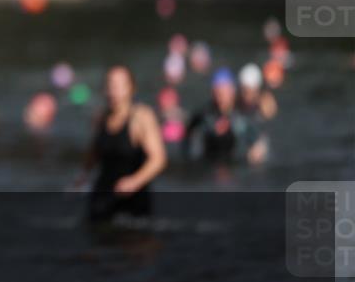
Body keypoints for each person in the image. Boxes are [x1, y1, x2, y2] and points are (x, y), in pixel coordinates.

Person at [75, 65, 166, 224]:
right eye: (110, 85)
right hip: (103, 195)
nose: (114, 90)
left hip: (134, 198)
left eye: (119, 85)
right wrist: (82, 176)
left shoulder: (142, 117)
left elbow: (158, 160)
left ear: (131, 89)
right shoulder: (100, 117)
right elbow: (94, 153)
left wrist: (135, 181)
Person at [183, 68, 265, 165]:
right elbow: (189, 134)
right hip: (209, 164)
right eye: (218, 91)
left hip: (236, 165)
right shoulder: (204, 115)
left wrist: (256, 150)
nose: (221, 95)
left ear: (232, 90)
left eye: (224, 90)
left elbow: (258, 140)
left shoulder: (243, 115)